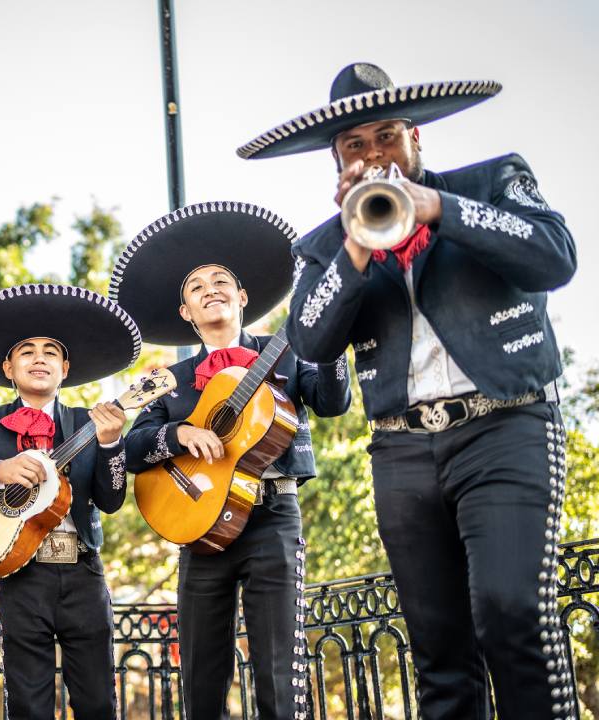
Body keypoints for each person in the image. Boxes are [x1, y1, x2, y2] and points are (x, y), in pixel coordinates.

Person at [239, 62, 577, 719]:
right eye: (355, 147)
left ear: (415, 139)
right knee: (438, 651)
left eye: (387, 136)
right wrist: (354, 246)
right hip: (401, 454)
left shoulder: (493, 181)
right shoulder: (322, 247)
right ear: (337, 165)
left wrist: (438, 210)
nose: (375, 156)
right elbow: (310, 342)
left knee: (512, 610)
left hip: (505, 426)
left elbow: (553, 258)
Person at [113, 202, 351, 720]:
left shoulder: (288, 351)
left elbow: (332, 403)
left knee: (278, 671)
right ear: (186, 313)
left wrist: (329, 344)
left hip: (273, 516)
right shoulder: (171, 379)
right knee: (200, 675)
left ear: (242, 298)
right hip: (199, 526)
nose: (211, 289)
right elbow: (132, 450)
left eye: (221, 281)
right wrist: (180, 432)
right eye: (197, 287)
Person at [0, 283, 141, 719]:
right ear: (9, 367)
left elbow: (112, 498)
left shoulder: (89, 422)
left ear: (64, 368)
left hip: (82, 571)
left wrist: (111, 444)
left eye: (49, 351)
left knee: (99, 701)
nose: (38, 357)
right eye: (26, 351)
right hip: (21, 576)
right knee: (28, 703)